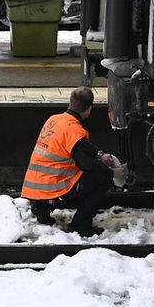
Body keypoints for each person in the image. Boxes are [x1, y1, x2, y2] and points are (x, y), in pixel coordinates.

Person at [20, 86, 126, 236]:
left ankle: (41, 208)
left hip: (36, 187)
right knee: (102, 175)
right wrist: (114, 173)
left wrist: (99, 154)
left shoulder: (54, 119)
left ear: (70, 103)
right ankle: (80, 226)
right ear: (89, 109)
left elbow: (81, 146)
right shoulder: (75, 130)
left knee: (91, 174)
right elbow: (87, 165)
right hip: (52, 187)